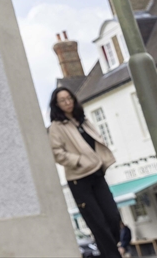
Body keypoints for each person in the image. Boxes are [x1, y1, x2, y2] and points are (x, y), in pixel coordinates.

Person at [49, 87, 121, 258]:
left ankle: (106, 253)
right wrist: (78, 161)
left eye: (69, 98)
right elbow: (57, 153)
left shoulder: (83, 120)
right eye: (63, 100)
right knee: (98, 223)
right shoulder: (57, 127)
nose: (67, 102)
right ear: (57, 104)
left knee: (113, 217)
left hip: (97, 174)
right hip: (78, 179)